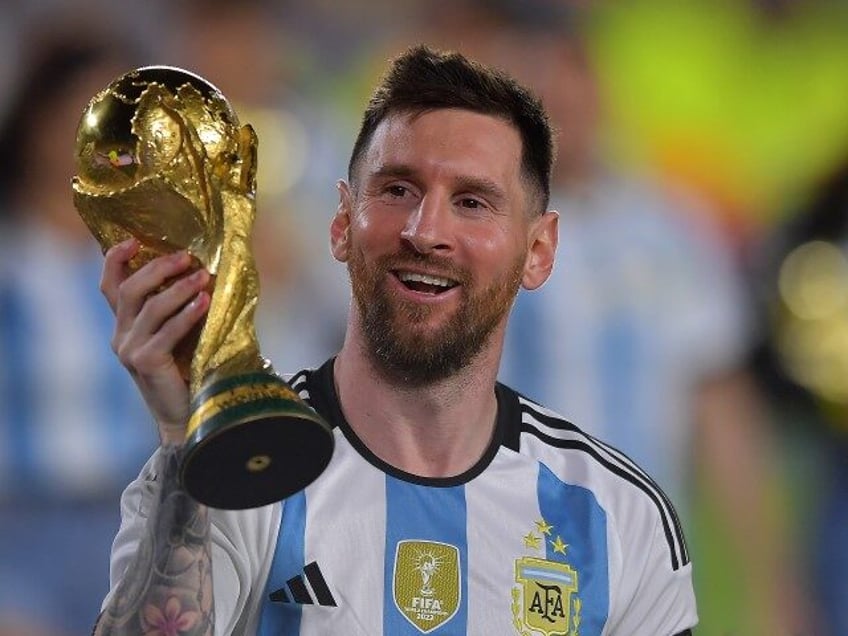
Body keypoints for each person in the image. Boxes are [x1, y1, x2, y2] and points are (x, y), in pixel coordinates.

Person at [93, 45, 697, 635]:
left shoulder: (619, 519)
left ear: (538, 252)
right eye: (398, 190)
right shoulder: (236, 471)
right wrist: (184, 443)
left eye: (472, 202)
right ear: (340, 225)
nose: (425, 231)